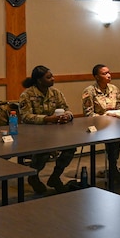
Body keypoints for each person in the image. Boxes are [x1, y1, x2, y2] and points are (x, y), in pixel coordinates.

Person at [18, 65, 77, 193]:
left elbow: (67, 108)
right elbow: (26, 116)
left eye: (52, 76)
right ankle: (33, 177)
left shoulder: (56, 93)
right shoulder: (27, 95)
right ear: (39, 80)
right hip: (33, 135)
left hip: (56, 134)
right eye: (49, 77)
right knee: (43, 151)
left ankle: (55, 177)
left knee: (70, 148)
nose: (53, 79)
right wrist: (46, 119)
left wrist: (68, 116)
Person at [82, 64, 120, 183]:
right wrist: (105, 117)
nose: (108, 75)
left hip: (117, 124)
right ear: (96, 77)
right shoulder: (89, 91)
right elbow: (88, 115)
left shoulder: (114, 89)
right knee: (114, 138)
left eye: (109, 72)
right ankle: (113, 168)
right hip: (99, 127)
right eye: (104, 73)